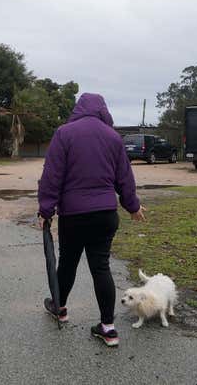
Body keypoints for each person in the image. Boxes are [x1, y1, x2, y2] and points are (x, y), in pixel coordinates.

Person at [37, 92, 146, 347]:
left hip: (73, 216)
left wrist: (46, 210)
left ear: (79, 108)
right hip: (105, 215)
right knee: (101, 267)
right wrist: (133, 206)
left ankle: (59, 308)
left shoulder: (64, 133)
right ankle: (108, 329)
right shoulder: (113, 137)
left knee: (67, 263)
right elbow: (125, 179)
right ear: (103, 110)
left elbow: (52, 176)